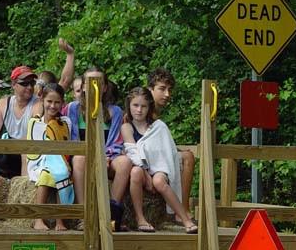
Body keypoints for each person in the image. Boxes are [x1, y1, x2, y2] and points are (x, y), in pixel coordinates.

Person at [121, 87, 197, 234]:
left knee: (159, 182)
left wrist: (156, 173)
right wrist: (146, 173)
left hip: (159, 168)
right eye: (135, 105)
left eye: (143, 106)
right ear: (129, 106)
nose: (139, 110)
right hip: (141, 168)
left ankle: (185, 219)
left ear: (149, 108)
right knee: (136, 172)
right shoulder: (127, 127)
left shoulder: (158, 126)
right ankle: (140, 218)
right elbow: (132, 151)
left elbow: (166, 153)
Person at [66, 68, 131, 228]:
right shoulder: (73, 109)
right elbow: (72, 138)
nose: (94, 86)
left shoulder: (114, 111)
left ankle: (110, 214)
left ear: (105, 87)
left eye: (98, 82)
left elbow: (115, 141)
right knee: (80, 159)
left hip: (107, 157)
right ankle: (84, 215)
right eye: (89, 82)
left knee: (125, 162)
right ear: (83, 87)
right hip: (83, 156)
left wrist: (105, 157)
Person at [26, 84, 75, 231]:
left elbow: (65, 146)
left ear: (62, 103)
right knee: (48, 173)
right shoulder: (34, 123)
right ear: (42, 100)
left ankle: (60, 221)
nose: (52, 106)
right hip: (40, 161)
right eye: (49, 101)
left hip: (59, 160)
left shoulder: (65, 122)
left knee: (61, 173)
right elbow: (32, 150)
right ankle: (38, 219)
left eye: (57, 102)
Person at [148, 68, 196, 217]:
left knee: (187, 155)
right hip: (145, 159)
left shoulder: (157, 113)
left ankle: (182, 209)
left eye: (169, 90)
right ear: (150, 89)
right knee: (187, 157)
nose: (167, 94)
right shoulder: (141, 109)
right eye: (162, 89)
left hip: (156, 156)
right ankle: (182, 211)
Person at [0, 65, 43, 177]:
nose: (30, 87)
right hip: (7, 149)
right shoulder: (3, 103)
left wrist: (7, 143)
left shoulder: (38, 104)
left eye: (32, 83)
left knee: (26, 150)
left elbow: (32, 136)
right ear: (13, 85)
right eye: (24, 83)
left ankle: (22, 188)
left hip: (28, 150)